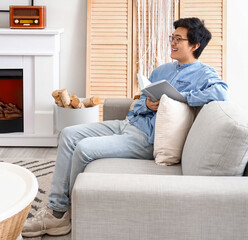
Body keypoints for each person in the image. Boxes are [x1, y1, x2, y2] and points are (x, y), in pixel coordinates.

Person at [22, 17, 229, 238]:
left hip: (145, 138)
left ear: (195, 45)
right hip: (128, 123)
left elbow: (221, 93)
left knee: (83, 149)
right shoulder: (163, 70)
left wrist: (179, 98)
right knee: (68, 135)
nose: (173, 43)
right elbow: (141, 99)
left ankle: (59, 212)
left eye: (179, 39)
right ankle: (58, 206)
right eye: (172, 37)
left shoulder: (204, 73)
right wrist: (147, 103)